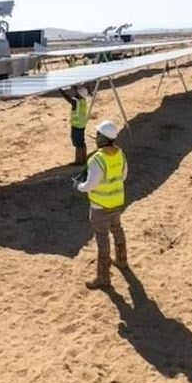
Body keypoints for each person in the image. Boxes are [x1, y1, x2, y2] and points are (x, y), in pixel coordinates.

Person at [74, 120, 128, 290]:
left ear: (104, 138)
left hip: (100, 206)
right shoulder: (120, 154)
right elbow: (123, 176)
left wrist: (79, 186)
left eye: (98, 134)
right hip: (116, 202)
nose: (96, 137)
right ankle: (122, 259)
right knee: (117, 229)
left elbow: (90, 185)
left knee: (102, 238)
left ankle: (103, 276)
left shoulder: (97, 159)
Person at [59, 85, 91, 165]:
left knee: (78, 144)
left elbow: (67, 98)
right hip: (82, 124)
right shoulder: (83, 101)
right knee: (82, 142)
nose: (75, 94)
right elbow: (79, 93)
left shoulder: (75, 103)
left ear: (79, 95)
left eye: (77, 93)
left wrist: (60, 90)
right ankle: (84, 159)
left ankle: (78, 161)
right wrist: (74, 87)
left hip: (76, 126)